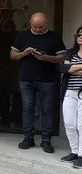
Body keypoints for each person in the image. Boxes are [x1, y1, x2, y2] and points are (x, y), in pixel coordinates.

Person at [11, 12, 65, 152]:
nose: (37, 29)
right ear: (30, 23)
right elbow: (13, 55)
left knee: (46, 110)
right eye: (34, 26)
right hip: (26, 78)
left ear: (46, 23)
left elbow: (61, 58)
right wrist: (24, 53)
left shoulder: (54, 37)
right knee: (28, 109)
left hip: (48, 79)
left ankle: (46, 140)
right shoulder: (22, 36)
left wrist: (45, 57)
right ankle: (28, 138)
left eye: (40, 27)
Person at [61, 27, 82, 168]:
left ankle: (81, 155)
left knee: (81, 125)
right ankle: (74, 151)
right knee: (69, 123)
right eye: (79, 34)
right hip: (69, 92)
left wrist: (73, 67)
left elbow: (70, 69)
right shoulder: (70, 52)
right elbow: (64, 69)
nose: (80, 37)